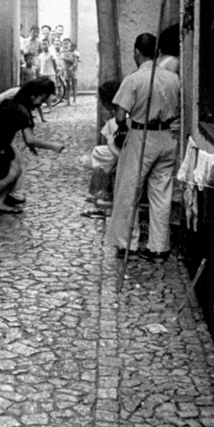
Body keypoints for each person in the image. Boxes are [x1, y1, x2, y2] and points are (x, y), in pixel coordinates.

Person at [106, 33, 180, 261]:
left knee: (129, 191)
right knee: (161, 193)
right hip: (169, 137)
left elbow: (119, 116)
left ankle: (128, 245)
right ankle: (159, 248)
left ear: (136, 52)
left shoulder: (134, 79)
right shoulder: (173, 78)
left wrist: (127, 120)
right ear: (157, 53)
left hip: (142, 137)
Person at [0, 78, 65, 215]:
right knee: (11, 174)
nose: (42, 103)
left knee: (17, 170)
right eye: (43, 98)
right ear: (33, 95)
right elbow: (30, 139)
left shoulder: (13, 103)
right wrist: (53, 146)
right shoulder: (21, 110)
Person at [81, 80, 121, 209]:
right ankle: (98, 192)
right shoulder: (116, 115)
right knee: (99, 153)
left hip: (123, 150)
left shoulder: (120, 116)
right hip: (119, 148)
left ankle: (103, 193)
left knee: (102, 158)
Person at [62, 39, 81, 105]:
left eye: (70, 46)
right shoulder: (69, 53)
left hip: (73, 70)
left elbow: (75, 62)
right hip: (67, 70)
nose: (69, 48)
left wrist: (65, 58)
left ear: (74, 47)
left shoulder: (75, 53)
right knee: (68, 85)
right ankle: (68, 100)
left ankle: (74, 99)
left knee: (74, 85)